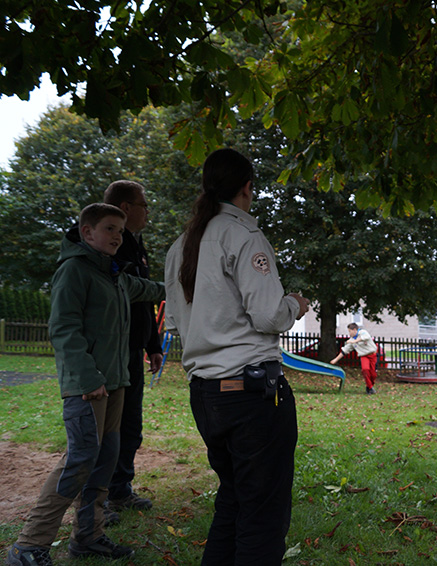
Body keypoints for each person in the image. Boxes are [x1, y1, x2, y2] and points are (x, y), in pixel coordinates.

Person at [164, 148, 309, 566]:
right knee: (263, 516)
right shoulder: (243, 236)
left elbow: (175, 323)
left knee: (232, 500)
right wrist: (295, 304)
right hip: (250, 396)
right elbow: (268, 316)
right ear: (247, 187)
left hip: (207, 395)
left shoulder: (180, 246)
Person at [6, 203, 165, 566]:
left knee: (105, 459)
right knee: (79, 459)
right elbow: (64, 330)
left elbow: (152, 289)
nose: (117, 237)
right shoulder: (74, 271)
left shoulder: (114, 275)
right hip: (88, 387)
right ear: (87, 231)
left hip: (115, 384)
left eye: (120, 231)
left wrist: (189, 283)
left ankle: (88, 536)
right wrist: (88, 378)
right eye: (109, 228)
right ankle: (28, 545)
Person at [103, 181, 162, 520]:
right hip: (110, 352)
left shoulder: (136, 245)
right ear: (126, 207)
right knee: (105, 428)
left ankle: (120, 489)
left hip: (133, 351)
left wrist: (153, 345)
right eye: (143, 204)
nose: (147, 211)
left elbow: (144, 301)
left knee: (130, 424)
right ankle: (96, 498)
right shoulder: (107, 246)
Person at [330, 323, 379, 394]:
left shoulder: (362, 332)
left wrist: (354, 341)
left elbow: (366, 337)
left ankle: (369, 387)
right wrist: (336, 359)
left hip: (373, 355)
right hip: (364, 356)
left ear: (355, 330)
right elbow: (344, 350)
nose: (349, 333)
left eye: (350, 331)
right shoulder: (351, 340)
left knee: (373, 374)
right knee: (365, 370)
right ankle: (370, 387)